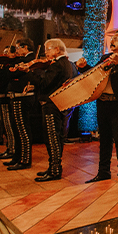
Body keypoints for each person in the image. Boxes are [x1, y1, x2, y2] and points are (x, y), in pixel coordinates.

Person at [79, 30, 118, 183]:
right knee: (104, 140)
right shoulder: (105, 58)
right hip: (103, 102)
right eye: (111, 38)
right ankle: (103, 172)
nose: (112, 41)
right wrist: (84, 67)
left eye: (116, 38)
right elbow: (95, 74)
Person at [22, 39, 76, 182]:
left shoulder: (57, 65)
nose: (45, 52)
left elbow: (44, 83)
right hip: (60, 103)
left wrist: (30, 72)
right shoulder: (68, 64)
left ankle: (54, 170)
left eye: (48, 49)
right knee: (57, 137)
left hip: (52, 104)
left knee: (52, 138)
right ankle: (53, 167)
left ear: (57, 50)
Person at [3, 39, 36, 170]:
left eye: (18, 48)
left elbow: (12, 74)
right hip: (16, 97)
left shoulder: (30, 59)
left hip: (23, 98)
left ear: (25, 47)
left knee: (23, 130)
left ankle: (25, 159)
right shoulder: (22, 60)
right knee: (16, 129)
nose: (16, 51)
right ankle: (17, 157)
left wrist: (12, 65)